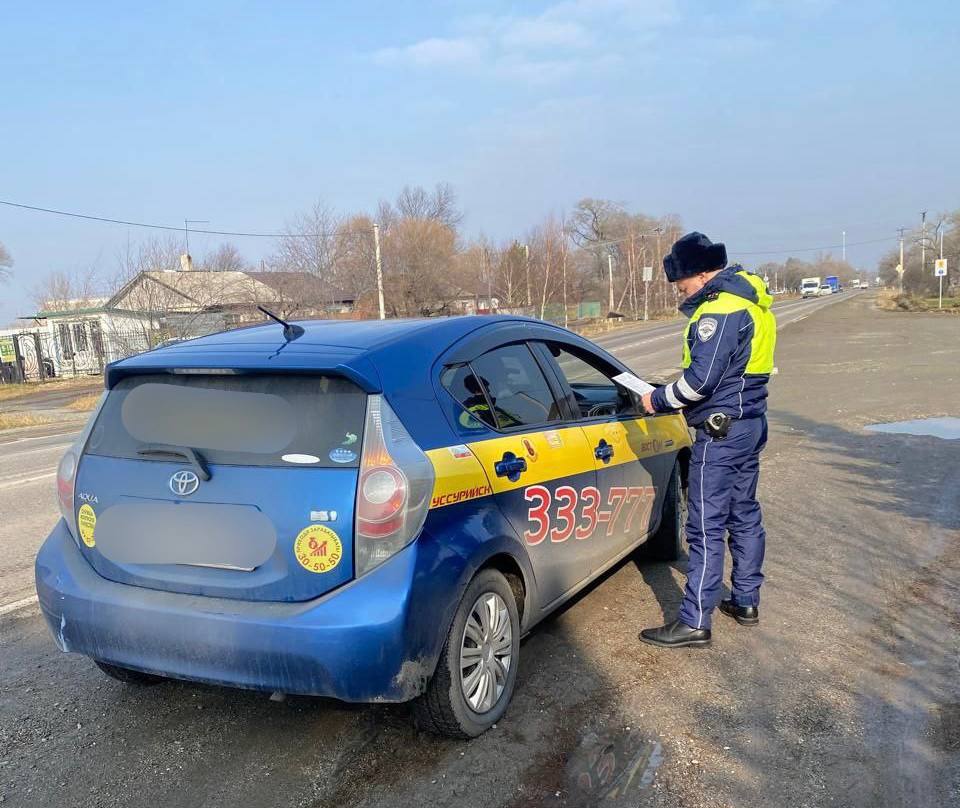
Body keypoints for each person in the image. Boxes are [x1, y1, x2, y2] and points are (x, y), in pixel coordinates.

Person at [638, 232, 776, 648]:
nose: (678, 288)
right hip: (750, 422)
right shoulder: (753, 303)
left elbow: (700, 382)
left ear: (700, 273)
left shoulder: (721, 312)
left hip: (720, 432)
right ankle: (746, 600)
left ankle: (695, 620)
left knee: (705, 524)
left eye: (680, 281)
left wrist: (657, 399)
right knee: (744, 511)